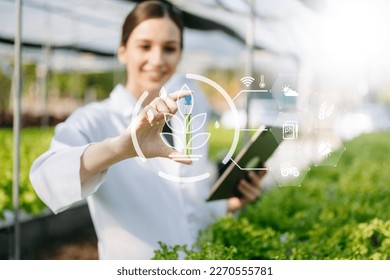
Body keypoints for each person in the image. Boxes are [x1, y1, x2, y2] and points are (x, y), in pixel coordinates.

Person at [30, 0, 264, 260]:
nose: (157, 59)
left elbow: (187, 201)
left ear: (179, 55)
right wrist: (121, 148)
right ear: (122, 51)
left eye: (169, 48)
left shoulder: (188, 117)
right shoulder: (95, 119)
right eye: (144, 46)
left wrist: (228, 204)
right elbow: (46, 177)